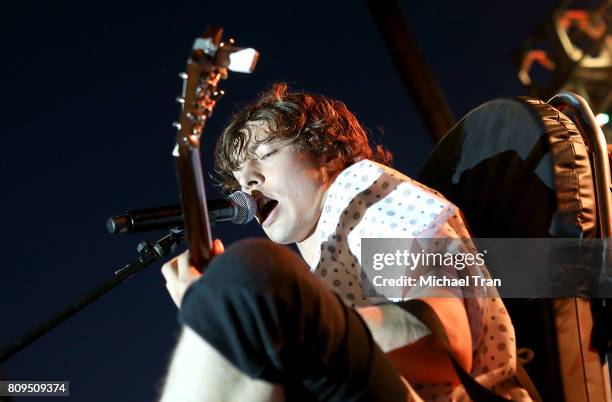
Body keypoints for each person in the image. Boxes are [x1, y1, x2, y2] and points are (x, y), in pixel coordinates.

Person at [158, 84, 532, 402]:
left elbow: (445, 344)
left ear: (327, 153)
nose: (248, 185)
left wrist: (277, 319)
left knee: (247, 272)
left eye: (266, 155)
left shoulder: (364, 196)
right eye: (239, 181)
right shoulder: (327, 261)